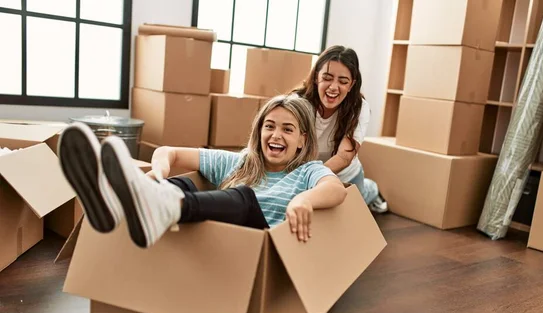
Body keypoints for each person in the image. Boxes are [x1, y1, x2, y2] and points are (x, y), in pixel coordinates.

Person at [58, 95, 347, 248]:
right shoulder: (240, 162)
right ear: (259, 131)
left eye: (288, 129)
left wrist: (303, 200)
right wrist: (156, 173)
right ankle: (119, 203)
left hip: (263, 249)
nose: (276, 135)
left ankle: (158, 205)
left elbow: (335, 189)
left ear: (302, 140)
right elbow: (167, 151)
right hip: (216, 245)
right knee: (183, 185)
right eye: (269, 126)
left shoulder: (308, 170)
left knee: (244, 197)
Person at [291, 45, 388, 214]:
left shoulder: (359, 108)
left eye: (343, 82)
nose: (334, 87)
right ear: (316, 77)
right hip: (303, 175)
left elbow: (344, 156)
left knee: (344, 214)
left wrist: (313, 178)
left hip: (345, 176)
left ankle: (370, 189)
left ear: (351, 85)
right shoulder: (297, 102)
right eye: (327, 78)